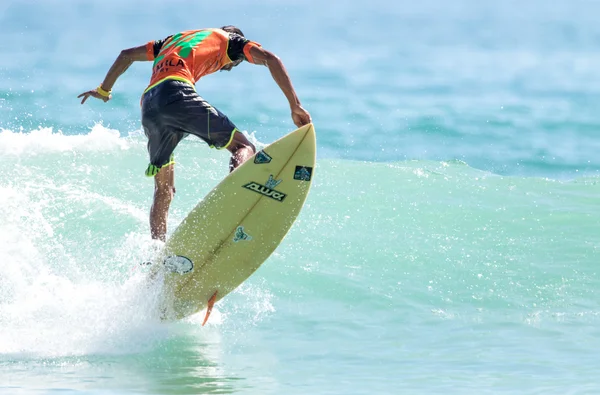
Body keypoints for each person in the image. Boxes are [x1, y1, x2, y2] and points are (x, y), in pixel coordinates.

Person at [78, 26, 312, 242]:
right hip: (176, 92)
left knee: (164, 189)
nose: (228, 67)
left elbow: (126, 54)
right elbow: (272, 59)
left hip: (149, 104)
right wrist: (295, 105)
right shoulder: (231, 40)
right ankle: (238, 196)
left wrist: (103, 90)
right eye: (234, 63)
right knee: (242, 147)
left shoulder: (169, 42)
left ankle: (157, 250)